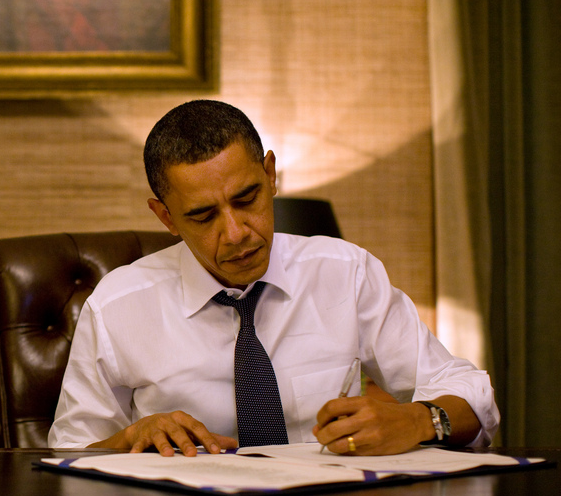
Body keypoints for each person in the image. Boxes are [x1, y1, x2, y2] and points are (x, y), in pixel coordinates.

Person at [47, 100, 499, 456]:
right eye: (203, 217)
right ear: (165, 217)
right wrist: (129, 439)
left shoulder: (345, 273)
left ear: (270, 174)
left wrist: (418, 421)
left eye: (247, 199)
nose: (237, 233)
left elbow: (471, 394)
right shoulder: (118, 306)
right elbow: (67, 454)